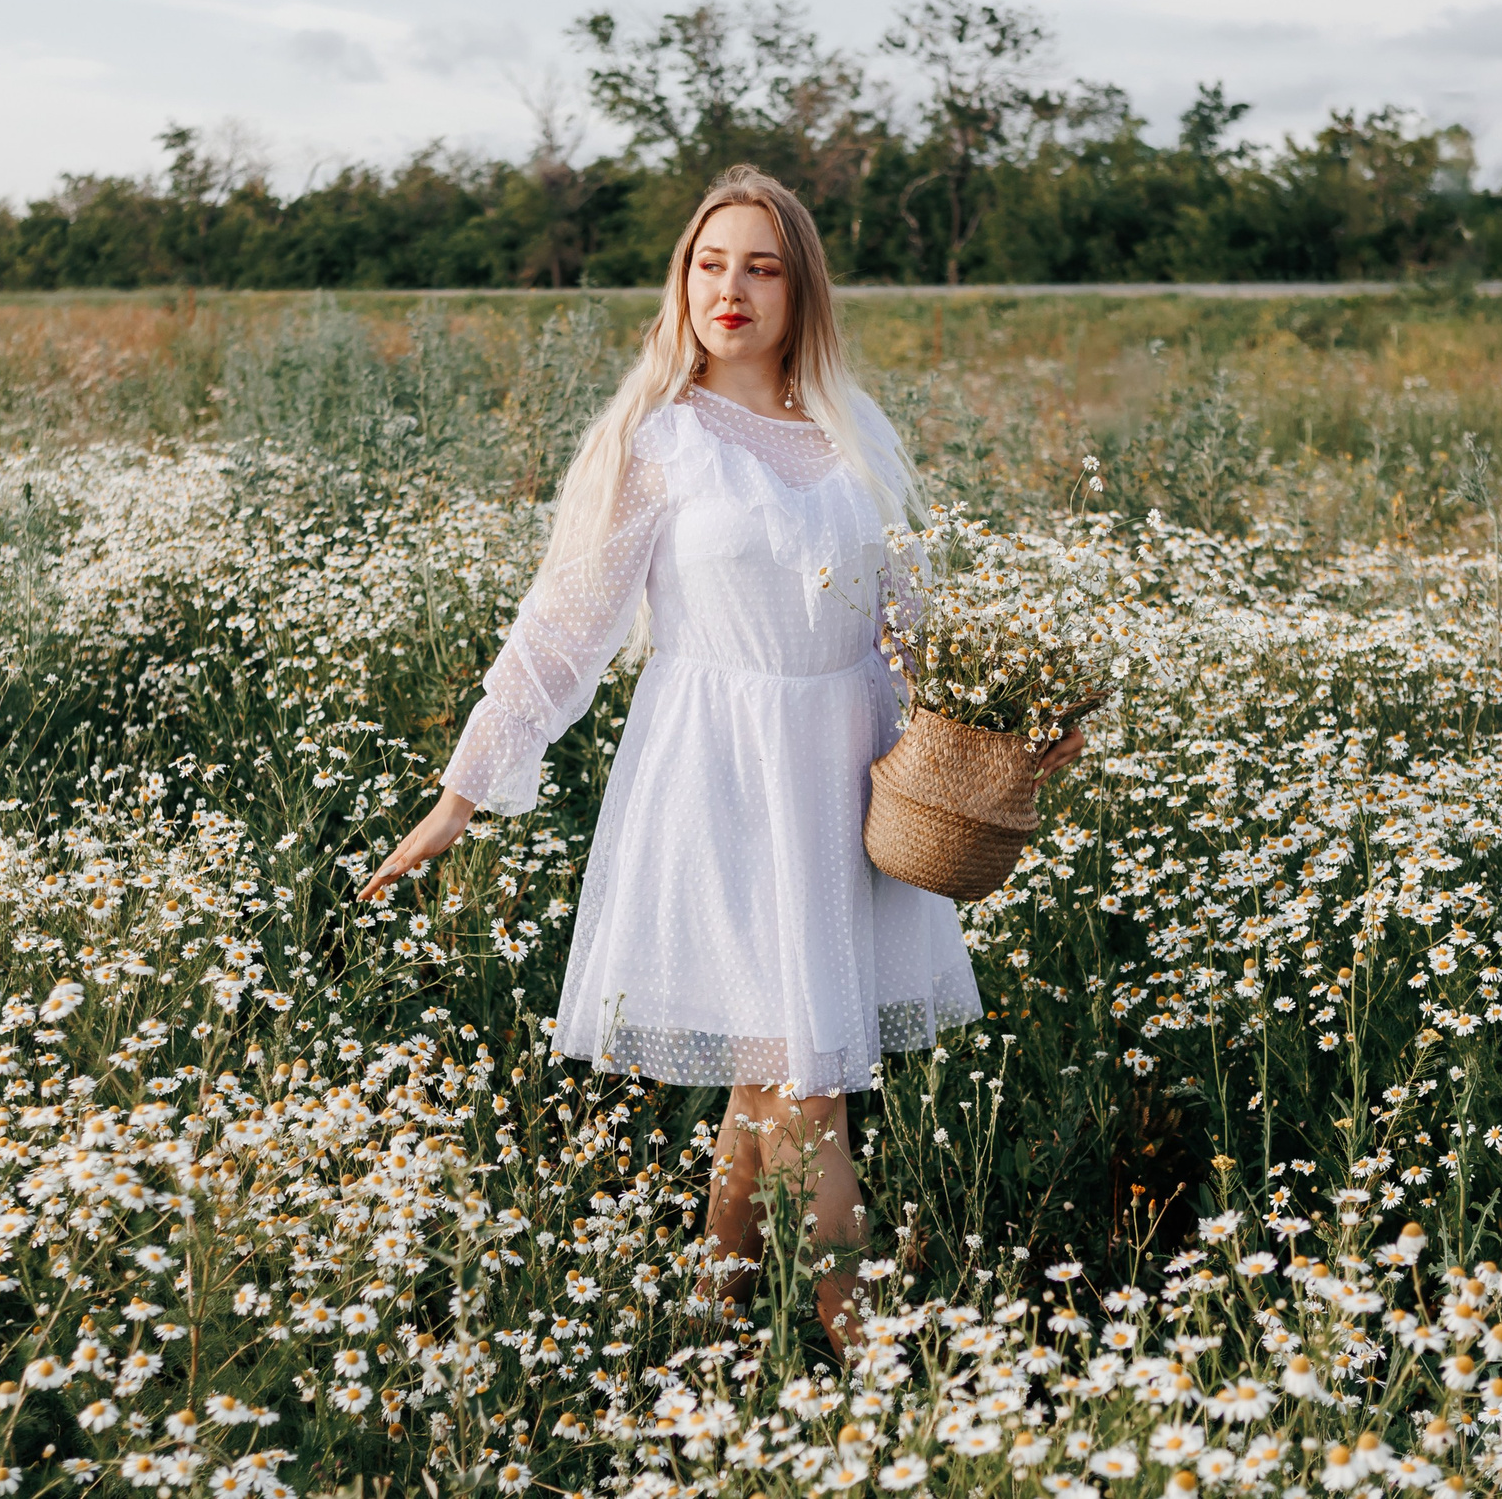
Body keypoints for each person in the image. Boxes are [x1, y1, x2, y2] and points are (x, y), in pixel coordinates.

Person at [358, 166, 1083, 1351]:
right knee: (806, 1079)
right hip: (723, 785)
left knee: (772, 1074)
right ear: (680, 280)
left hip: (844, 780)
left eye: (760, 266)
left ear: (800, 290)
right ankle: (861, 1345)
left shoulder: (852, 433)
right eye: (708, 262)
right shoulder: (659, 440)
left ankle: (710, 1321)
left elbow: (910, 622)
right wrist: (463, 791)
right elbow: (561, 628)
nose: (729, 288)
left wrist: (1004, 731)